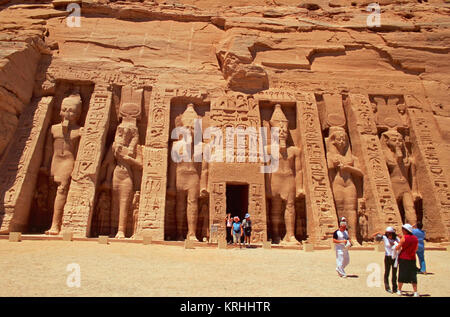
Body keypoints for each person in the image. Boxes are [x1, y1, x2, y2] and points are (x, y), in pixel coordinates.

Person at [373, 227, 400, 293]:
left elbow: (401, 243)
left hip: (394, 257)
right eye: (387, 233)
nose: (389, 235)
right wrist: (379, 232)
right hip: (387, 257)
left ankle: (395, 288)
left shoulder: (396, 238)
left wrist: (396, 244)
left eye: (390, 233)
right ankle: (387, 287)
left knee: (394, 273)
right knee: (387, 272)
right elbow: (374, 236)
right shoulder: (385, 238)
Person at [396, 224, 419, 297]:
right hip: (412, 258)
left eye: (403, 229)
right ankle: (415, 292)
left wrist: (395, 246)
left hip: (403, 258)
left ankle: (399, 290)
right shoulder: (415, 238)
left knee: (401, 274)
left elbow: (398, 247)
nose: (402, 231)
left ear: (406, 230)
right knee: (413, 275)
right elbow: (416, 249)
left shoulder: (404, 238)